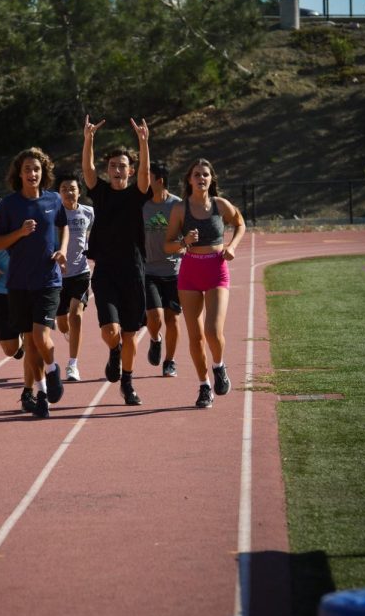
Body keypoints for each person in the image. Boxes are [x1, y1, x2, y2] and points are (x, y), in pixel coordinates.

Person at [0, 147, 68, 419]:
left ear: (43, 172)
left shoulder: (53, 200)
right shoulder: (9, 205)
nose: (32, 174)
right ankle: (42, 394)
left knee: (41, 337)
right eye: (27, 169)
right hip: (19, 283)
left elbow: (64, 225)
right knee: (30, 343)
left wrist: (62, 250)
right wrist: (20, 233)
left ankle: (52, 369)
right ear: (19, 174)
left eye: (36, 169)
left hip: (48, 280)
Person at [164, 158, 246, 409]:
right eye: (197, 174)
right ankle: (204, 386)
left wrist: (231, 246)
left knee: (212, 330)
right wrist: (184, 241)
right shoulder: (180, 209)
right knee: (196, 336)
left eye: (206, 175)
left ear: (212, 179)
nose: (201, 178)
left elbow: (240, 223)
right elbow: (167, 245)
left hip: (216, 270)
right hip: (190, 272)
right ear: (189, 179)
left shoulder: (220, 205)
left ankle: (219, 366)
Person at [82, 116, 151, 406]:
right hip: (106, 270)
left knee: (131, 332)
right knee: (111, 331)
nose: (117, 169)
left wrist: (144, 142)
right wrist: (88, 140)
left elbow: (147, 174)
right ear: (108, 170)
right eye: (113, 166)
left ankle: (128, 382)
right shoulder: (100, 192)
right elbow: (87, 170)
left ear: (130, 170)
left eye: (123, 166)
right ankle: (114, 351)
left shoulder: (138, 194)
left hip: (133, 271)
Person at [0, 207, 37, 413]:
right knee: (10, 349)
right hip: (4, 285)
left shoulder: (45, 205)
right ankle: (18, 344)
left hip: (32, 285)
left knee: (33, 341)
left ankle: (28, 392)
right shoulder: (4, 208)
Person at [143, 161, 182, 378]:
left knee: (172, 319)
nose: (144, 181)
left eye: (148, 176)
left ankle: (170, 361)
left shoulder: (177, 205)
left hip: (174, 271)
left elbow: (188, 234)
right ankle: (155, 339)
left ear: (159, 180)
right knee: (155, 317)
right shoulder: (142, 205)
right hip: (149, 270)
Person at [54, 172, 94, 382]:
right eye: (64, 189)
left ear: (79, 191)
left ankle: (72, 365)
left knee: (76, 315)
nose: (69, 193)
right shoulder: (54, 215)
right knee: (62, 322)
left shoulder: (88, 213)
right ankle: (68, 334)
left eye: (72, 189)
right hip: (58, 276)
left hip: (80, 272)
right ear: (58, 193)